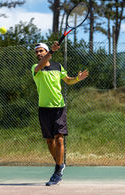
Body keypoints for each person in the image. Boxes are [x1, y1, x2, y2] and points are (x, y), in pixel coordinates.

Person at [31, 42, 89, 186]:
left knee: (59, 139)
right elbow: (41, 64)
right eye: (37, 52)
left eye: (41, 51)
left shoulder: (58, 66)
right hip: (44, 109)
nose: (39, 53)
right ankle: (60, 164)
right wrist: (50, 51)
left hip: (59, 107)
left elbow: (68, 80)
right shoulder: (35, 68)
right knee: (49, 141)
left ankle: (57, 171)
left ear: (45, 52)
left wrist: (77, 79)